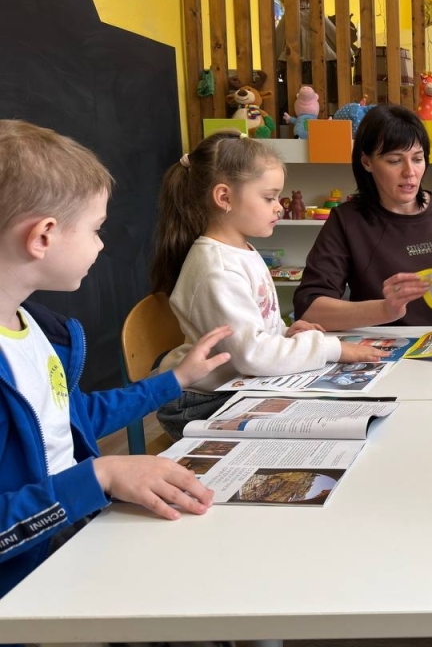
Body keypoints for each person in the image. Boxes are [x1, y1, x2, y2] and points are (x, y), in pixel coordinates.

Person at [0, 120, 235, 647]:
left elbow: (71, 417)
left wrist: (175, 380)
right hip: (27, 594)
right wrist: (100, 475)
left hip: (72, 528)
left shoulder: (36, 330)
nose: (102, 244)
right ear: (42, 236)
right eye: (95, 228)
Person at [150, 130, 385, 439]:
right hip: (200, 403)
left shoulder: (241, 251)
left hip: (236, 385)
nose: (279, 207)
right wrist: (332, 348)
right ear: (224, 198)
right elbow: (252, 354)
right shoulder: (217, 269)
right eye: (268, 197)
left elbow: (252, 333)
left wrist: (285, 333)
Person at [294, 104, 432, 328]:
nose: (409, 172)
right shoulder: (347, 221)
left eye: (417, 159)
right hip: (384, 346)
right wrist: (384, 310)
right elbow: (308, 309)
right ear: (367, 162)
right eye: (395, 161)